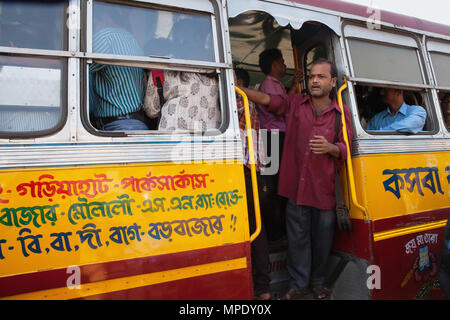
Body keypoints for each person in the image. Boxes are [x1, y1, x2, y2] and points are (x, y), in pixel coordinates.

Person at [237, 58, 353, 300]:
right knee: (298, 241)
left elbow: (346, 147)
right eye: (311, 76)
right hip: (296, 189)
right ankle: (299, 285)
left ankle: (318, 283)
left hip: (324, 190)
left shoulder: (341, 113)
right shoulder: (296, 103)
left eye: (321, 77)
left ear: (332, 82)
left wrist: (330, 147)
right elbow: (269, 101)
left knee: (322, 243)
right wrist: (236, 88)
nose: (314, 81)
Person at [257, 48, 302, 241]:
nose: (284, 65)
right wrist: (294, 85)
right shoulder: (270, 84)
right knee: (274, 186)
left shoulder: (275, 85)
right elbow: (282, 108)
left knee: (279, 184)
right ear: (275, 65)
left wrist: (293, 85)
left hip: (275, 137)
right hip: (273, 138)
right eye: (282, 62)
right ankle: (276, 231)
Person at [235, 68, 270, 300]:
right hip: (252, 169)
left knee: (252, 229)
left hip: (245, 170)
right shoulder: (252, 104)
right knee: (255, 228)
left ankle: (261, 286)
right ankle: (262, 286)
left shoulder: (241, 102)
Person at [89, 8, 148, 131]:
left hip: (118, 125)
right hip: (136, 122)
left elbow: (81, 70)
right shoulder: (132, 39)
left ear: (103, 19)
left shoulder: (104, 36)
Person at [143, 70, 220, 131]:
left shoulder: (160, 70)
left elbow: (151, 110)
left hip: (173, 135)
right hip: (210, 136)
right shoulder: (217, 72)